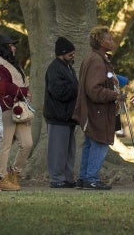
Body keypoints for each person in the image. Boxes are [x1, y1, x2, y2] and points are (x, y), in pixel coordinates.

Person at [72, 26, 127, 190]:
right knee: (100, 142)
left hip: (94, 110)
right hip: (98, 110)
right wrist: (115, 95)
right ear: (100, 42)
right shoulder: (97, 60)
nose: (112, 41)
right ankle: (91, 178)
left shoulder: (96, 58)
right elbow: (94, 89)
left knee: (90, 143)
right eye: (109, 39)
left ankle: (83, 179)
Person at [0, 34, 32, 191]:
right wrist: (23, 91)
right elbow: (2, 86)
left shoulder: (11, 63)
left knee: (27, 144)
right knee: (5, 145)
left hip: (19, 107)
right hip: (6, 107)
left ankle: (14, 173)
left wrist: (22, 93)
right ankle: (0, 177)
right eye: (11, 45)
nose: (14, 47)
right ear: (3, 47)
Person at [44, 37, 78, 188]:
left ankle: (67, 177)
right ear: (62, 53)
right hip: (58, 116)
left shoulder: (68, 67)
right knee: (58, 150)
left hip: (68, 116)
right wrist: (78, 89)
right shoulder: (54, 69)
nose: (73, 56)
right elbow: (58, 91)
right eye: (70, 54)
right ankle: (57, 178)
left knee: (69, 150)